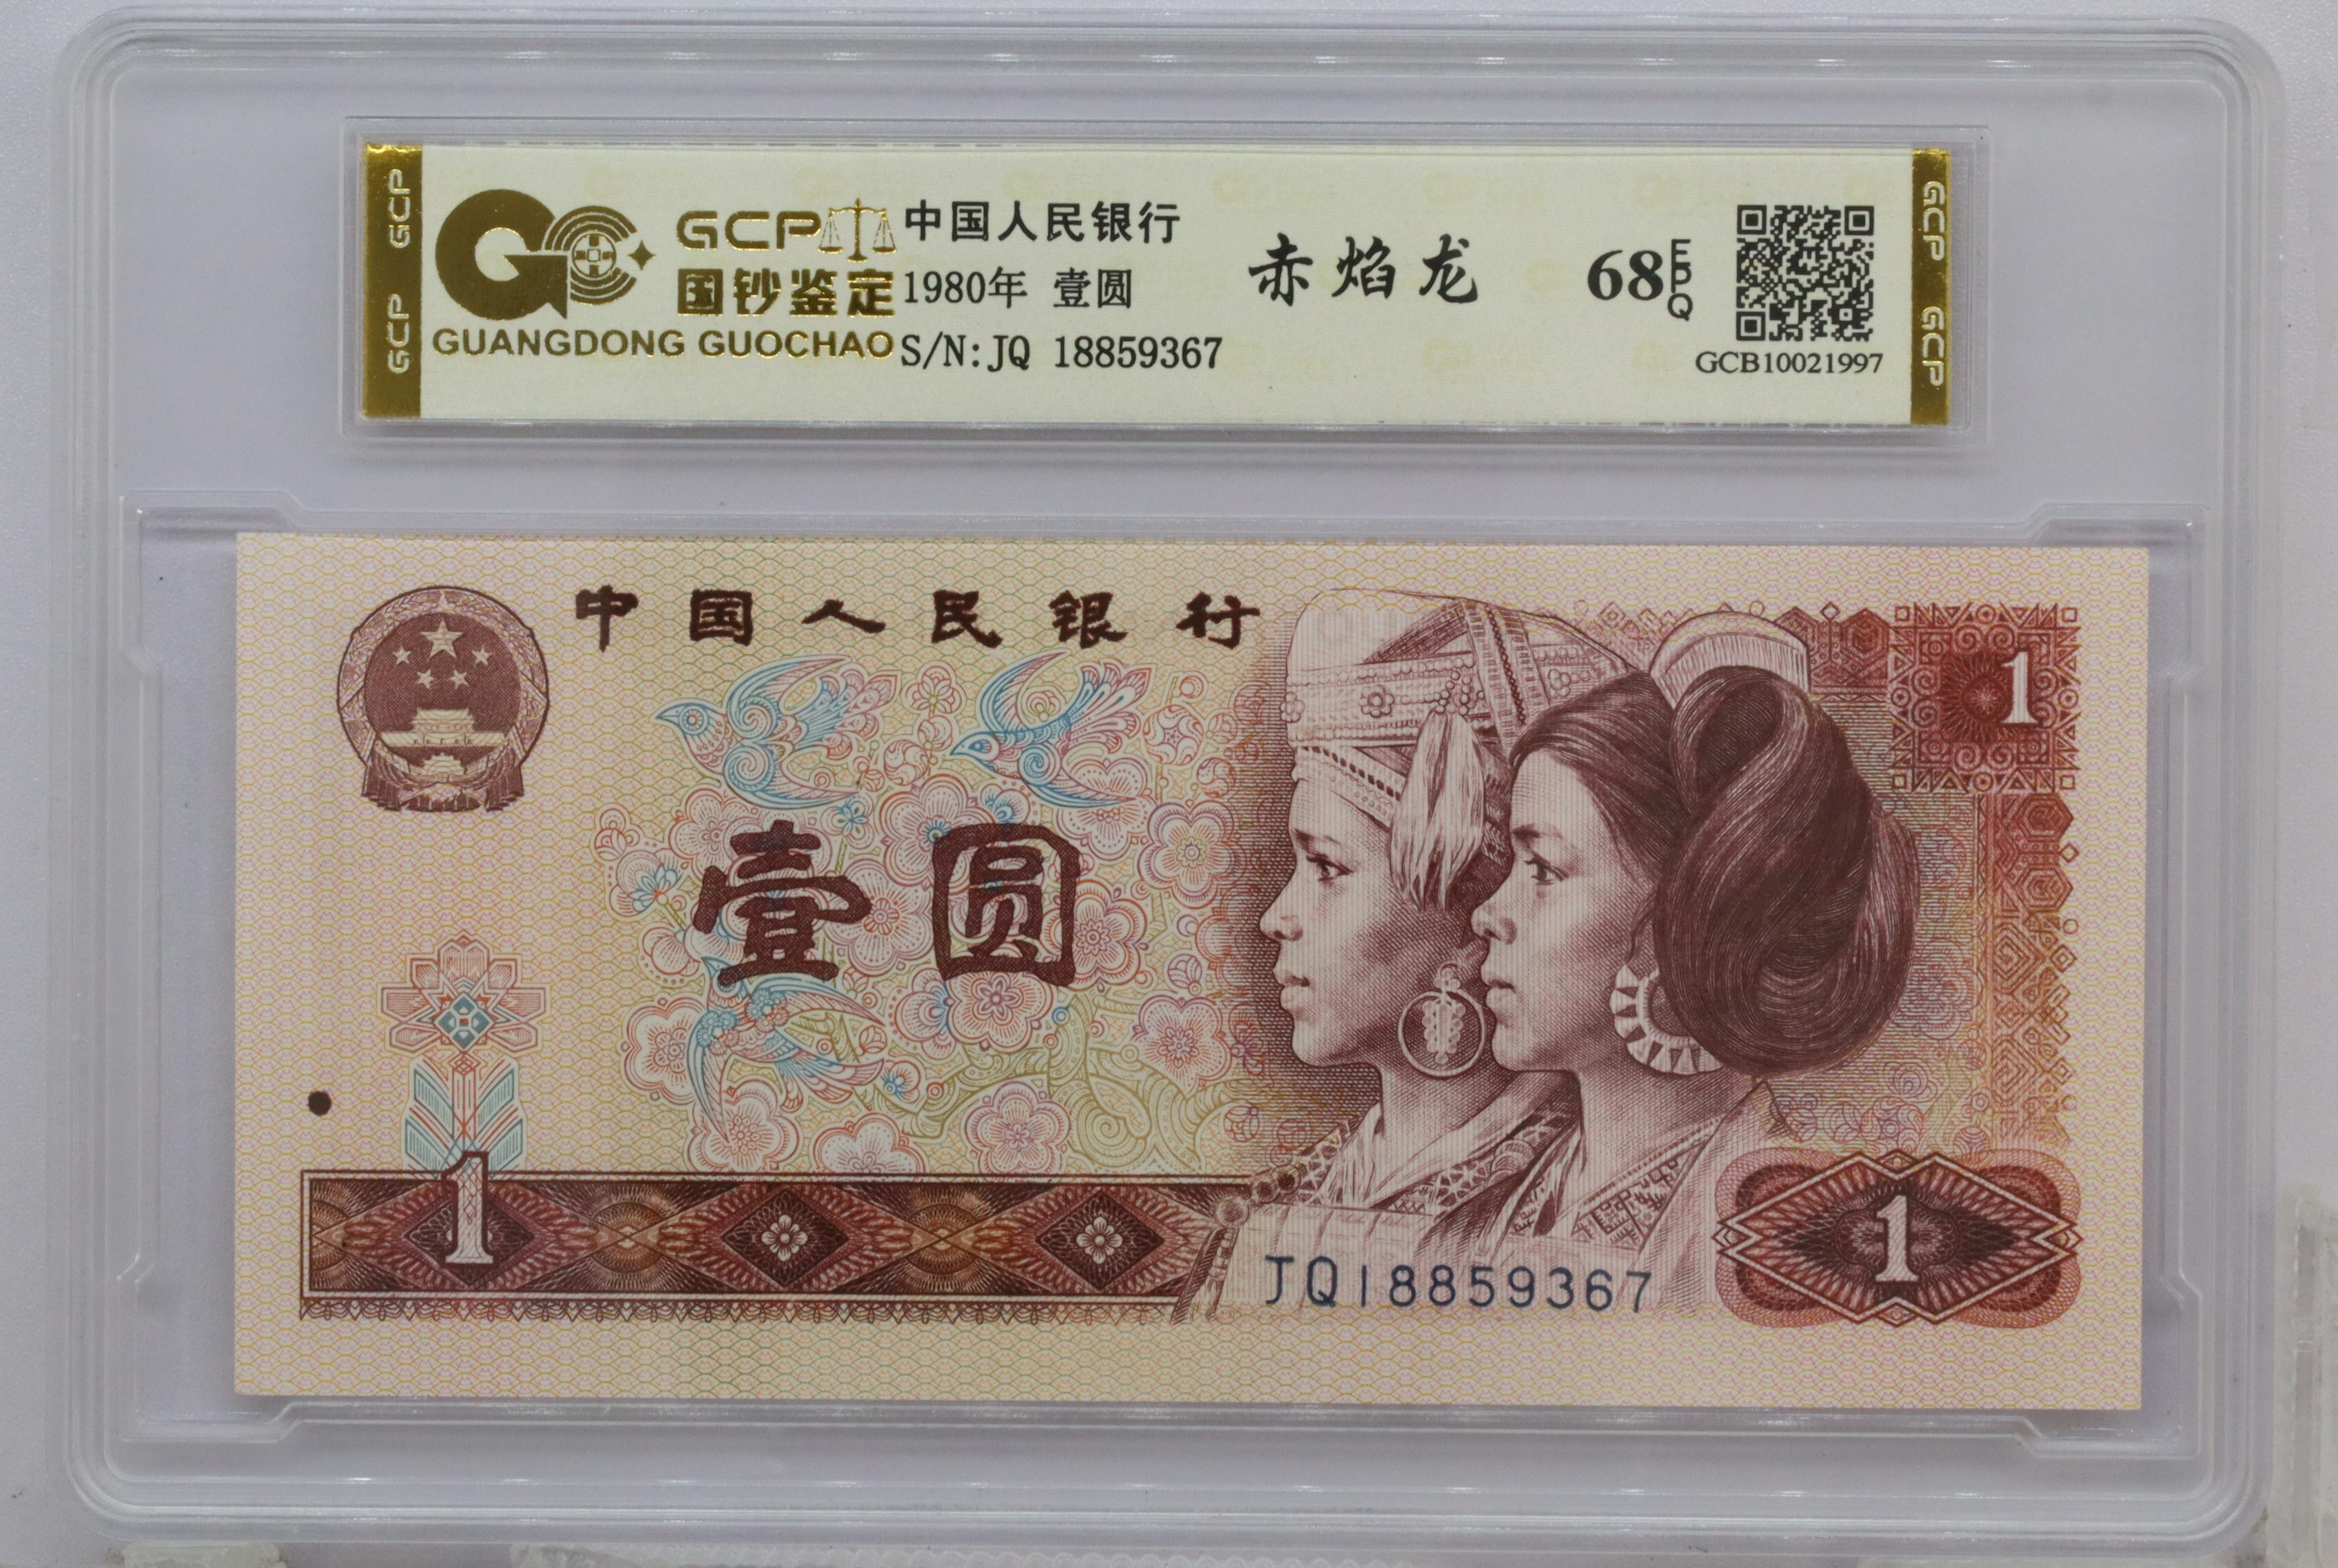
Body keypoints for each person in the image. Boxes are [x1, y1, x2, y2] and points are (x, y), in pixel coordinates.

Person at [1466, 613, 1918, 1308]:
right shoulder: (1482, 1211)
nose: (1486, 914)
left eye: (1544, 869)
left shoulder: (1788, 1241)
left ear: (1681, 915)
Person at [1203, 592, 1633, 1311]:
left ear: (1472, 922)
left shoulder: (1587, 1211)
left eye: (1327, 867)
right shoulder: (1287, 1202)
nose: (1278, 918)